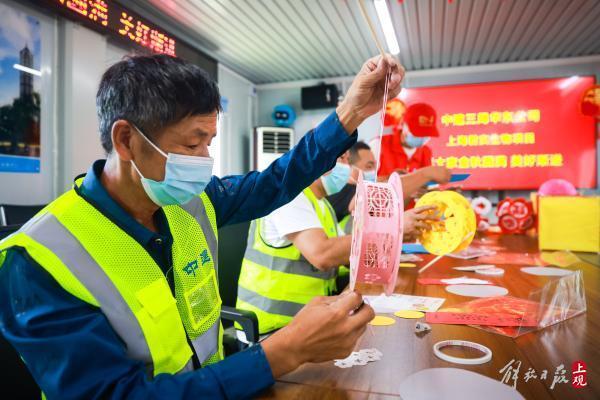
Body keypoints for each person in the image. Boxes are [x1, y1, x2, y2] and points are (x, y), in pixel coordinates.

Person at [0, 53, 404, 398]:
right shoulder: (38, 261)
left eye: (210, 141)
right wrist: (281, 352)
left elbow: (272, 183)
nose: (204, 159)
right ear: (125, 140)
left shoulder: (191, 203)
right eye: (192, 144)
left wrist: (351, 113)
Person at [235, 157, 437, 337]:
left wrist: (389, 238)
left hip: (307, 322)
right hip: (272, 331)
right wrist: (393, 229)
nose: (345, 167)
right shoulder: (288, 197)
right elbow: (323, 255)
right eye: (339, 158)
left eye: (346, 160)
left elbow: (347, 256)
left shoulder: (322, 206)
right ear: (311, 159)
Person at [370, 102, 442, 181]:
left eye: (426, 134)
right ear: (403, 125)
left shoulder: (425, 152)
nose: (422, 138)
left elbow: (429, 184)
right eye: (418, 133)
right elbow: (363, 183)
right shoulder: (378, 145)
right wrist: (389, 180)